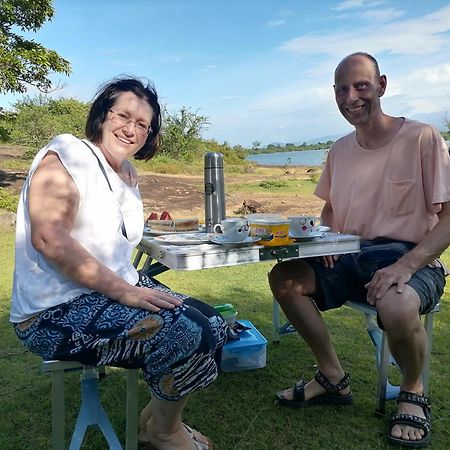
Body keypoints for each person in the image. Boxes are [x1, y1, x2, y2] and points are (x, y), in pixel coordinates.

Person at [10, 77, 226, 450]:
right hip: (52, 311)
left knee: (216, 323)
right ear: (101, 115)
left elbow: (111, 241)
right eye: (123, 116)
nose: (132, 129)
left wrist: (129, 283)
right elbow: (49, 237)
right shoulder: (67, 153)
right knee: (186, 334)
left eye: (143, 124)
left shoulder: (127, 173)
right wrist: (124, 290)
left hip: (109, 289)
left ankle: (152, 423)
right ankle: (165, 433)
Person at [269, 52, 450, 448]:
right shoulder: (339, 149)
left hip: (413, 255)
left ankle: (412, 391)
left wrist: (406, 265)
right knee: (284, 277)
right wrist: (326, 239)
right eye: (342, 89)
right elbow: (330, 208)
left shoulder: (422, 137)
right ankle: (332, 376)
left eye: (361, 86)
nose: (351, 97)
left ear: (382, 85)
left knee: (397, 303)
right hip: (350, 253)